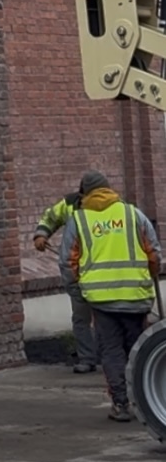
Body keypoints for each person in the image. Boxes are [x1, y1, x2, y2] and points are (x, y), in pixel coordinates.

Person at [67, 169, 161, 422]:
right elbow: (153, 252)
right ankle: (148, 402)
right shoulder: (133, 214)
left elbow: (69, 261)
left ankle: (121, 405)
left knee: (111, 352)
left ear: (84, 193)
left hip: (102, 300)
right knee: (139, 350)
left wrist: (77, 291)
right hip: (137, 296)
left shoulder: (79, 220)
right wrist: (153, 274)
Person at [33, 188, 98, 373]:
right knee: (81, 318)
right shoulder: (71, 204)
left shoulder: (111, 209)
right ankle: (88, 358)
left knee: (105, 320)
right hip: (78, 273)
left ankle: (110, 359)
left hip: (99, 274)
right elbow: (51, 217)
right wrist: (41, 234)